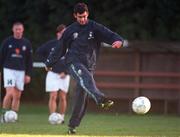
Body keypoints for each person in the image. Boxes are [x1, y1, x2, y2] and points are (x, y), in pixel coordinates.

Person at [45, 3, 125, 134]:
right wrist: (49, 63)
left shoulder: (94, 27)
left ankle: (72, 126)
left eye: (84, 16)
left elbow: (110, 35)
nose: (82, 19)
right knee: (85, 78)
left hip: (89, 65)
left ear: (87, 14)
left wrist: (118, 41)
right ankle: (101, 99)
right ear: (75, 16)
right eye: (80, 17)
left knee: (82, 96)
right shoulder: (70, 31)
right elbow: (60, 48)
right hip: (73, 62)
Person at [36, 24, 70, 123]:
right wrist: (47, 63)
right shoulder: (51, 44)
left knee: (63, 97)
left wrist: (66, 72)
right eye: (63, 33)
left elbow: (74, 59)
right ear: (58, 34)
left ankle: (62, 117)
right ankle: (52, 117)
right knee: (53, 96)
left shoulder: (70, 45)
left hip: (65, 75)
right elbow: (39, 52)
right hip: (52, 74)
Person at [0, 22, 33, 123]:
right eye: (16, 29)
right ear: (13, 30)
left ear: (22, 30)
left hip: (21, 71)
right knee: (9, 93)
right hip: (9, 70)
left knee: (17, 96)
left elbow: (29, 60)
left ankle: (13, 116)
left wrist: (28, 74)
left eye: (20, 29)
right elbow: (1, 57)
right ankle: (3, 116)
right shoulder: (7, 42)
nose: (18, 31)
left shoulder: (26, 43)